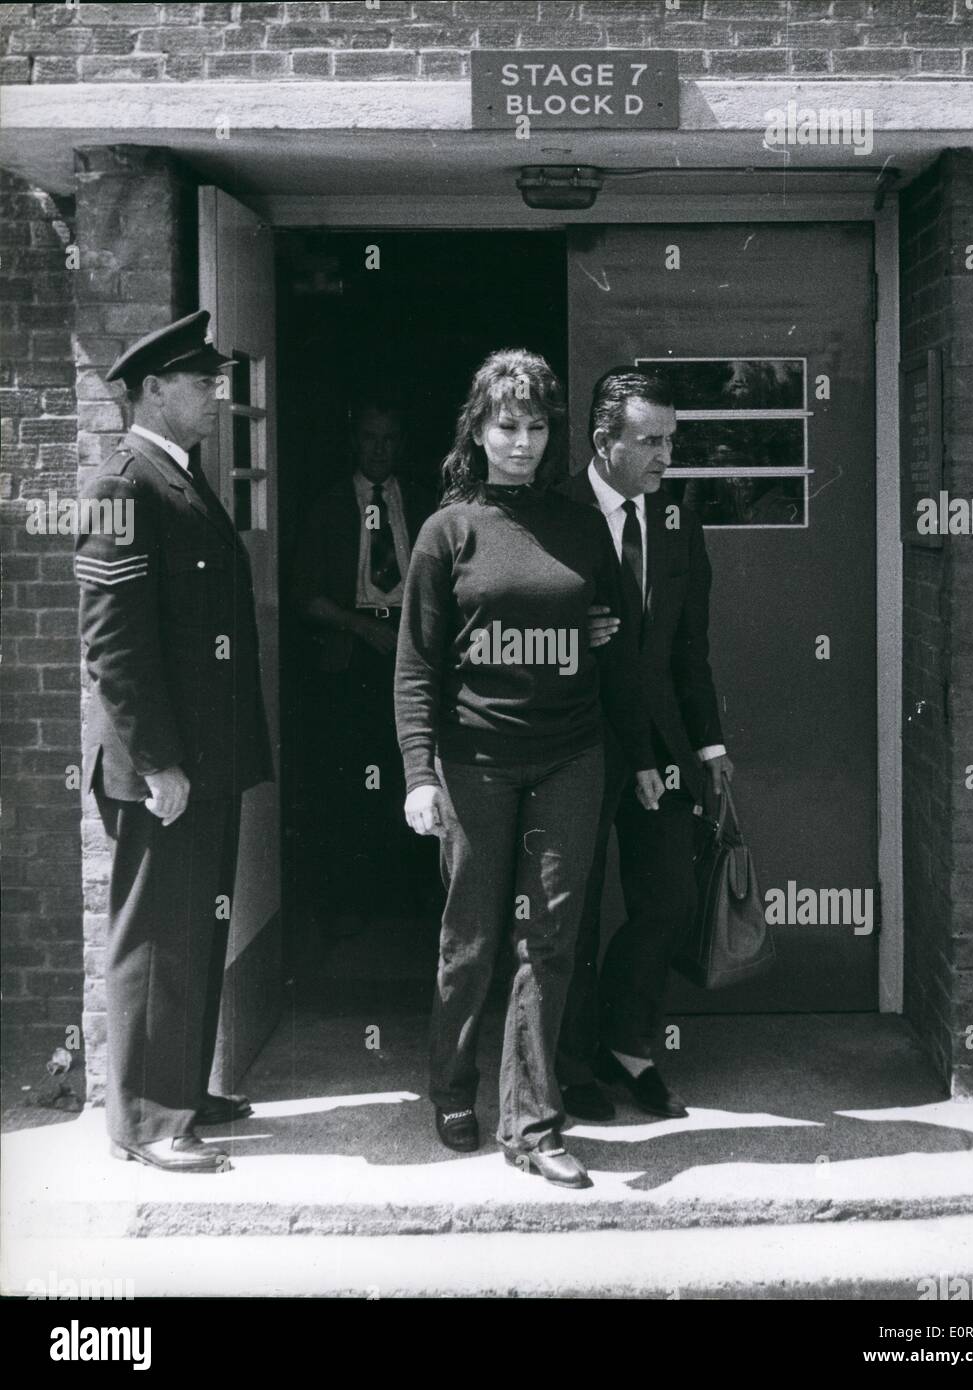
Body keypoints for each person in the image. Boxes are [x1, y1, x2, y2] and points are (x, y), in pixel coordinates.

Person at [395, 349, 660, 1189]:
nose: (521, 442)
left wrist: (642, 751)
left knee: (548, 941)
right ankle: (451, 1085)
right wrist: (418, 773)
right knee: (471, 938)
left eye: (537, 426)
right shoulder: (448, 531)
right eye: (506, 425)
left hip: (572, 756)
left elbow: (611, 633)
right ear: (477, 429)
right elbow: (415, 666)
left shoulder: (579, 523)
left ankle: (534, 1122)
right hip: (473, 761)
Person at [75, 309, 273, 1174]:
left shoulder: (180, 476)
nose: (218, 396)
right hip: (165, 766)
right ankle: (150, 1120)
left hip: (203, 759)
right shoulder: (125, 485)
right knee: (157, 936)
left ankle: (182, 1090)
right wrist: (156, 761)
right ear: (153, 390)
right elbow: (112, 642)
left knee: (193, 930)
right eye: (203, 383)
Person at [556, 369, 731, 1121]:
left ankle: (626, 1043)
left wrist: (711, 749)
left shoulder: (676, 523)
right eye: (652, 441)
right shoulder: (554, 513)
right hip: (576, 739)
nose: (667, 457)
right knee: (575, 907)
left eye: (671, 440)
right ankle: (567, 1068)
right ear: (605, 442)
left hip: (660, 746)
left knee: (668, 896)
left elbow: (690, 649)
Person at [292, 399, 434, 929]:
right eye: (371, 437)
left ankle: (414, 901)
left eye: (390, 438)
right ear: (355, 441)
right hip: (351, 659)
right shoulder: (328, 506)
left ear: (402, 443)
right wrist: (362, 625)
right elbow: (303, 596)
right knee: (355, 778)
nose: (380, 449)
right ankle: (356, 905)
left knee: (414, 773)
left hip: (412, 654)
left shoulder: (423, 503)